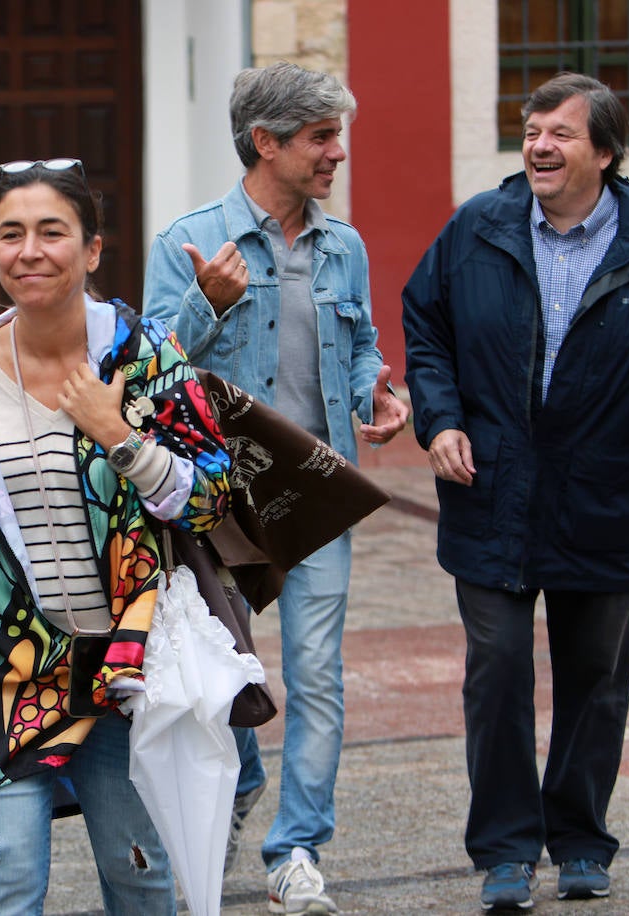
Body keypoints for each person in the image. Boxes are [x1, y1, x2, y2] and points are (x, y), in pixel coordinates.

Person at [401, 73, 629, 910]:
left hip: (603, 496)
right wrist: (439, 418)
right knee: (500, 671)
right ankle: (507, 850)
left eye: (561, 133)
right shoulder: (479, 226)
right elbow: (426, 325)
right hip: (492, 492)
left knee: (595, 677)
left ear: (606, 152)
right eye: (531, 130)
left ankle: (581, 838)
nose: (540, 146)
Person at [0, 157, 231, 915]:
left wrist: (124, 439)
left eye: (53, 231)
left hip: (125, 666)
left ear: (92, 250)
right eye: (10, 234)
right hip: (5, 667)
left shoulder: (144, 357)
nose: (30, 251)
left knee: (139, 869)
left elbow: (213, 500)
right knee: (6, 872)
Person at [144, 62, 408, 914]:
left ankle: (295, 846)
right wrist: (206, 305)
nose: (337, 154)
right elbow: (147, 369)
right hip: (219, 504)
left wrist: (378, 388)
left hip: (318, 498)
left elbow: (362, 343)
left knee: (320, 674)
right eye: (321, 137)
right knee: (222, 668)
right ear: (267, 142)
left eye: (339, 136)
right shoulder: (192, 240)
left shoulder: (346, 246)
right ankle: (242, 780)